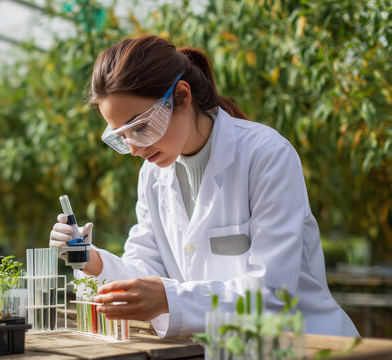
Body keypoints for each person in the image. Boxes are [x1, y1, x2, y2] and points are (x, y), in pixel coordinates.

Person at [49, 35, 359, 338]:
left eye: (140, 127)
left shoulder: (266, 155)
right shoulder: (153, 175)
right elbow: (147, 273)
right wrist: (91, 260)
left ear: (181, 96)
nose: (133, 147)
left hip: (310, 343)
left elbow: (272, 294)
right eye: (121, 136)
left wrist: (170, 299)